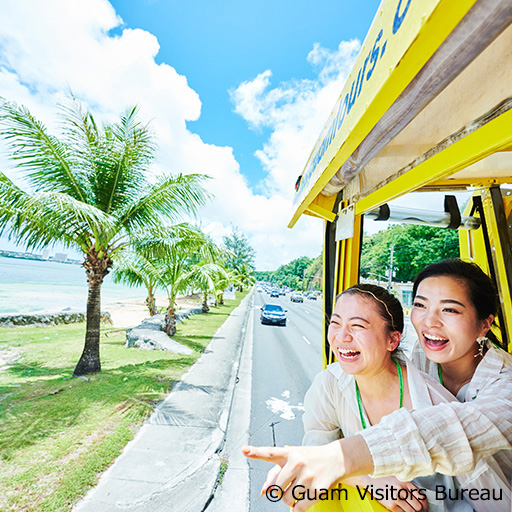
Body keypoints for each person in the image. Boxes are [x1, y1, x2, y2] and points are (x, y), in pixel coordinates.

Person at [243, 259, 512, 512]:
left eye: (450, 309)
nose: (430, 322)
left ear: (485, 323)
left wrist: (341, 458)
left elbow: (447, 430)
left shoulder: (505, 385)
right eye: (420, 305)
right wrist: (363, 478)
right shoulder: (415, 358)